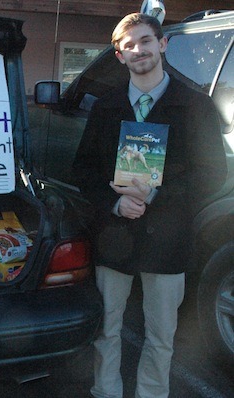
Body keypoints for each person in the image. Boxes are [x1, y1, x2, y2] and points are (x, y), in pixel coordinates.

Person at [72, 13, 227, 398]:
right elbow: (83, 170)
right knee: (107, 328)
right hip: (115, 238)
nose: (138, 50)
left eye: (145, 41)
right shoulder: (106, 106)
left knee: (161, 336)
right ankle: (105, 390)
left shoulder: (195, 105)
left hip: (168, 241)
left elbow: (212, 173)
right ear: (119, 56)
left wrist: (155, 195)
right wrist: (114, 202)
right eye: (129, 46)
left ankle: (151, 393)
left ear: (162, 45)